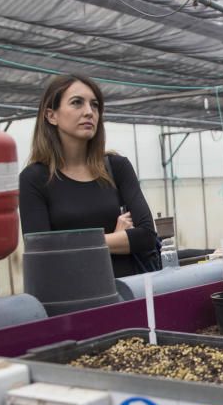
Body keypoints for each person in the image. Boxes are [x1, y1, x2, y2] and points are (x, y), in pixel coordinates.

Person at [19, 74, 158, 278]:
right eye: (77, 103)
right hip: (74, 298)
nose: (89, 112)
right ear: (51, 115)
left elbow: (146, 236)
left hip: (129, 292)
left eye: (94, 105)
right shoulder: (34, 178)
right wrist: (115, 238)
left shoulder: (117, 167)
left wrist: (76, 243)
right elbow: (42, 252)